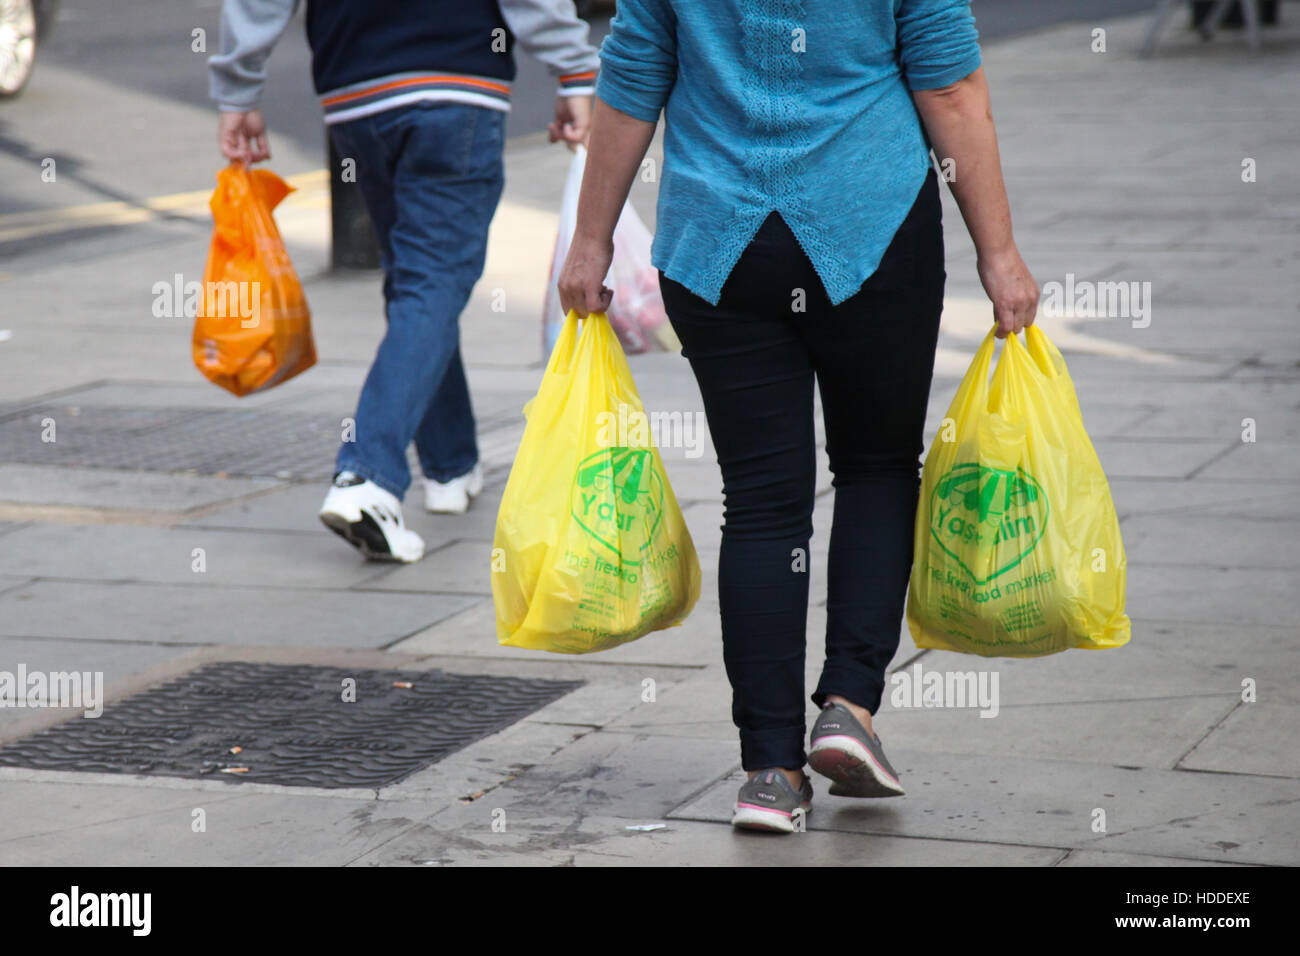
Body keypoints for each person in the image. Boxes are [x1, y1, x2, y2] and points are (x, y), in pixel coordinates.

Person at [559, 0, 1039, 833]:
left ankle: (770, 773)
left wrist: (591, 240)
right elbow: (952, 89)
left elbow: (633, 74)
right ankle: (849, 706)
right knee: (878, 465)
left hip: (718, 241)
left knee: (762, 502)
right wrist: (999, 255)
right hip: (871, 223)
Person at [209, 0, 600, 562]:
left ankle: (451, 468)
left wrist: (238, 91)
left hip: (356, 92)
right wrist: (574, 70)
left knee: (418, 282)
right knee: (432, 282)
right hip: (456, 82)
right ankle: (367, 479)